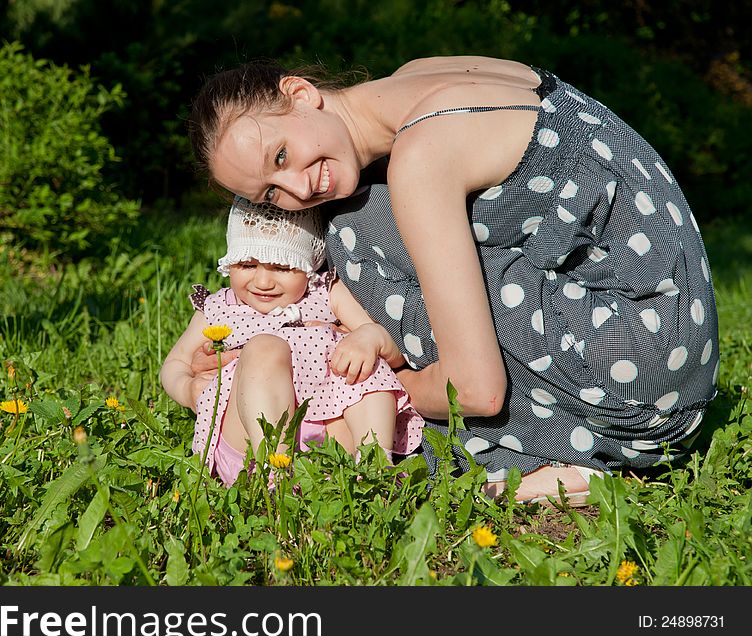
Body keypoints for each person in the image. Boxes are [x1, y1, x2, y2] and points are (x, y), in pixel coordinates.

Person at [185, 55, 719, 505]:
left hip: (640, 388)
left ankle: (544, 464)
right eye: (270, 197)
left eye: (280, 156)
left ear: (300, 93)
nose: (297, 190)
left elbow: (476, 392)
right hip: (676, 340)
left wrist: (348, 386)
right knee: (367, 216)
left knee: (354, 228)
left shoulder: (421, 157)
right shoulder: (418, 76)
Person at [160, 196, 423, 487]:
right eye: (247, 264)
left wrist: (369, 337)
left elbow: (394, 354)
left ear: (310, 265)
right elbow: (175, 364)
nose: (263, 282)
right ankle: (273, 475)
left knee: (362, 357)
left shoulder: (326, 293)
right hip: (249, 437)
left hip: (332, 436)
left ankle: (373, 465)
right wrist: (187, 388)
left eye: (283, 267)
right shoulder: (220, 308)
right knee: (265, 347)